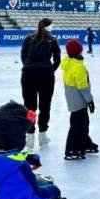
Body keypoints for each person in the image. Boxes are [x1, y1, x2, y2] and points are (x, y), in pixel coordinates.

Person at [21, 18, 61, 152]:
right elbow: (57, 60)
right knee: (45, 105)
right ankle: (42, 135)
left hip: (28, 74)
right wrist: (49, 69)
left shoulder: (28, 38)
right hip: (45, 75)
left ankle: (30, 136)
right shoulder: (53, 40)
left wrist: (29, 66)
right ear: (49, 27)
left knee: (30, 107)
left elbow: (23, 56)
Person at [61, 39, 98, 160]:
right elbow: (83, 87)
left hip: (72, 97)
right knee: (77, 125)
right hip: (78, 100)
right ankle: (71, 150)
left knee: (83, 123)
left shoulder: (68, 62)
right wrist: (90, 101)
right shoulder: (78, 67)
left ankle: (84, 144)